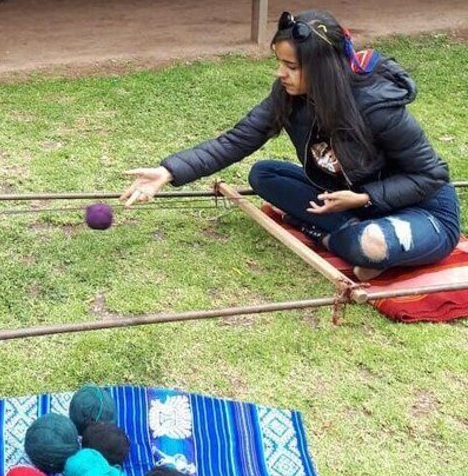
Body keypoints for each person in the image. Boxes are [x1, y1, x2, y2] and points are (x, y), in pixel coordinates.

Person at [122, 10, 460, 282]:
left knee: (373, 243)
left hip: (423, 209)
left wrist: (367, 198)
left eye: (291, 66)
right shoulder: (287, 96)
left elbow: (431, 175)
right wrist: (168, 171)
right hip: (348, 201)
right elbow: (238, 139)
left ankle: (344, 240)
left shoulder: (377, 106)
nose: (280, 73)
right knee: (264, 175)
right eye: (280, 63)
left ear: (324, 69)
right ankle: (354, 239)